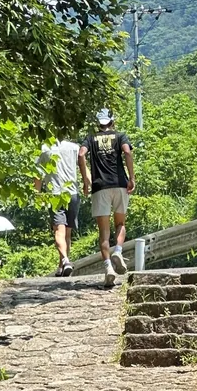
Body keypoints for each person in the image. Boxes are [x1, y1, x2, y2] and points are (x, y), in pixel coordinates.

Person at [78, 107, 135, 289]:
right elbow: (127, 152)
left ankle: (108, 267)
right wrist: (131, 178)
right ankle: (118, 250)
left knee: (103, 231)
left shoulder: (90, 138)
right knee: (120, 224)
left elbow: (81, 154)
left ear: (98, 123)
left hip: (99, 186)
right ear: (112, 121)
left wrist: (85, 181)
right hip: (119, 184)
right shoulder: (120, 136)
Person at [35, 134, 82, 278]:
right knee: (67, 232)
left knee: (59, 231)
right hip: (72, 193)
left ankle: (65, 261)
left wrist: (37, 194)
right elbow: (82, 166)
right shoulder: (74, 148)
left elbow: (38, 175)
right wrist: (87, 183)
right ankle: (62, 265)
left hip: (54, 195)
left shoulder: (44, 149)